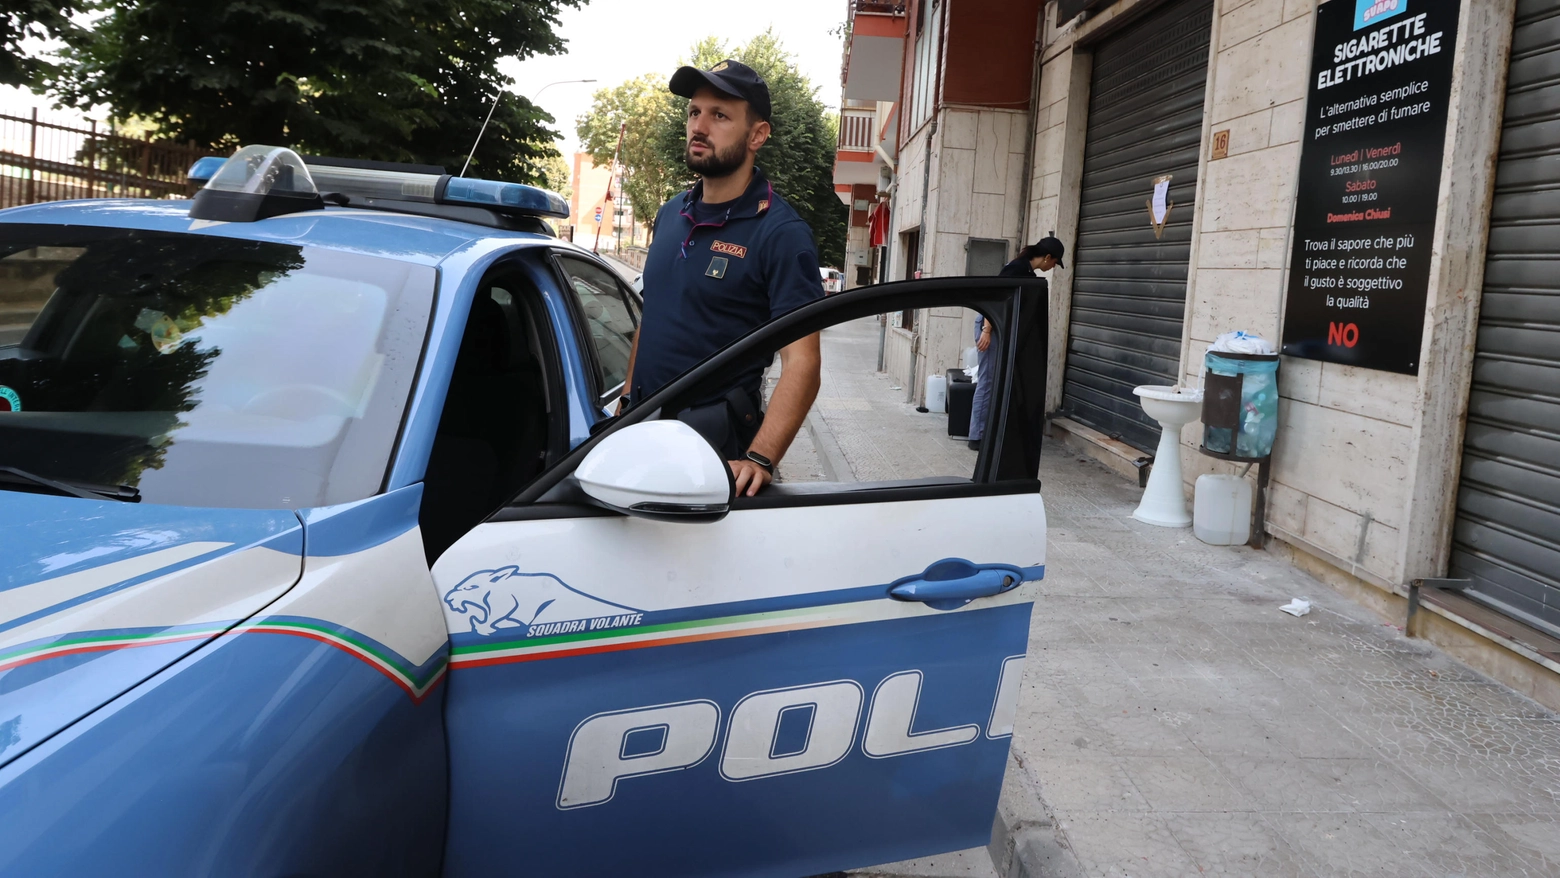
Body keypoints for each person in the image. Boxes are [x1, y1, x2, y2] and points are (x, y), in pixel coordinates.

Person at [619, 59, 824, 496]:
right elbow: (651, 318)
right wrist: (624, 402)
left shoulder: (782, 234)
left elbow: (803, 363)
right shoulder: (673, 212)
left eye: (720, 116)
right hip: (643, 428)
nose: (700, 126)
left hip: (715, 446)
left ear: (757, 135)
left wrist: (760, 457)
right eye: (695, 112)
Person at [968, 237, 1065, 450]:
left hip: (997, 327)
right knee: (988, 380)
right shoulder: (1017, 269)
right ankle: (977, 437)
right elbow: (995, 297)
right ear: (1047, 257)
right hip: (991, 325)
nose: (1052, 267)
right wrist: (987, 330)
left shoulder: (1026, 270)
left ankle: (989, 432)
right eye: (1055, 263)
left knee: (997, 380)